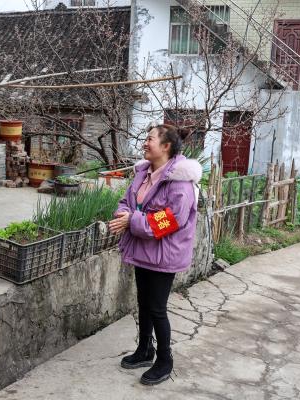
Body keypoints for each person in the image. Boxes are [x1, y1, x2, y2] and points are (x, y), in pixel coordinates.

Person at [108, 124, 202, 385]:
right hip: (142, 248)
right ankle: (145, 350)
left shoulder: (180, 182)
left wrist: (132, 221)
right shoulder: (143, 173)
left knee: (157, 308)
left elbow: (171, 220)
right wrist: (123, 215)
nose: (145, 143)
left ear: (166, 146)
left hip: (164, 254)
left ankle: (165, 360)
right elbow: (127, 201)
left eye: (150, 139)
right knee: (144, 302)